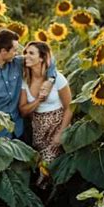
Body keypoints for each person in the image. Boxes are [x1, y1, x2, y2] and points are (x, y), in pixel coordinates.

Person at [0, 29, 57, 138]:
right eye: (14, 50)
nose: (17, 53)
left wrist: (50, 80)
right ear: (3, 51)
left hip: (20, 128)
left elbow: (48, 58)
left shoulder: (17, 63)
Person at [19, 41, 72, 187]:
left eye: (31, 53)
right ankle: (49, 200)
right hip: (39, 131)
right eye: (25, 53)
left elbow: (70, 107)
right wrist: (39, 100)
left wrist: (61, 134)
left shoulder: (57, 79)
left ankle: (53, 200)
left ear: (42, 58)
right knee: (41, 167)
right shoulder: (25, 80)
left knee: (50, 169)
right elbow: (23, 110)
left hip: (57, 126)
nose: (26, 56)